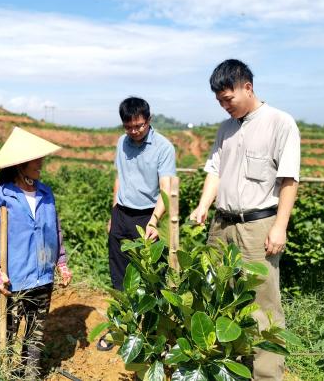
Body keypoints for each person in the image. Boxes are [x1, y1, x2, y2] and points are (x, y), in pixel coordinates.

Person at [190, 59, 300, 380]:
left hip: (257, 226)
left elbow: (289, 179)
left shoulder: (280, 122)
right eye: (219, 101)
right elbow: (215, 171)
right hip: (221, 226)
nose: (225, 106)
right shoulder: (226, 129)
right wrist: (203, 206)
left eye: (228, 99)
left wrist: (280, 227)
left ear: (247, 87)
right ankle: (231, 367)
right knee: (219, 295)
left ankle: (266, 374)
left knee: (263, 306)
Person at [0, 127, 72, 379]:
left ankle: (30, 374)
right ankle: (4, 372)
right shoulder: (1, 195)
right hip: (14, 278)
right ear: (19, 165)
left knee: (36, 332)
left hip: (43, 276)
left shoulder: (46, 193)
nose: (41, 163)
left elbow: (54, 230)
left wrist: (61, 262)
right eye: (35, 159)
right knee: (9, 330)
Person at [97, 97, 176, 351]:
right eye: (129, 127)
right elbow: (119, 179)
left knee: (153, 277)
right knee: (119, 275)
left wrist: (154, 222)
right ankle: (120, 328)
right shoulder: (122, 143)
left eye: (139, 126)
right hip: (122, 215)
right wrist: (113, 213)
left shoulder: (163, 147)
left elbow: (165, 189)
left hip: (148, 217)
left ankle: (154, 333)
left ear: (149, 120)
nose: (134, 131)